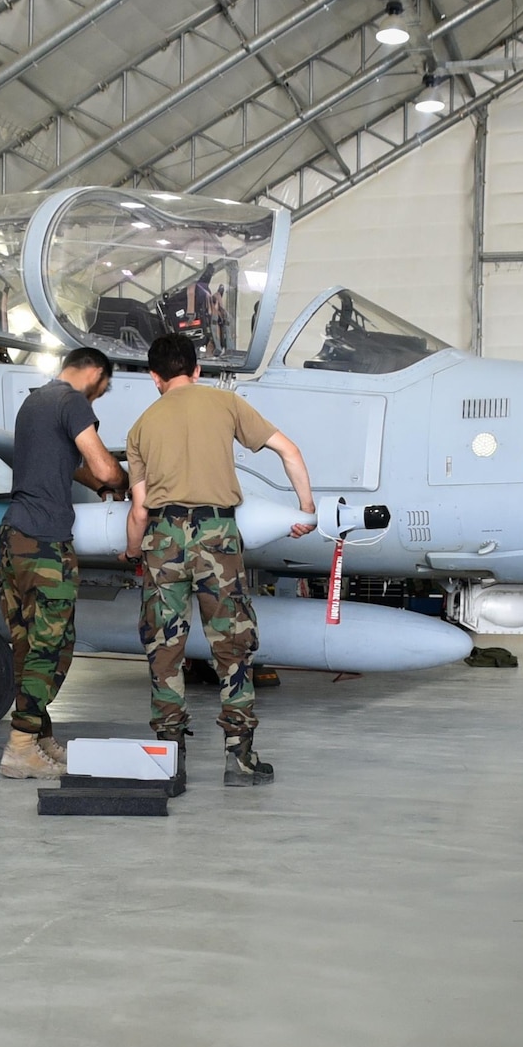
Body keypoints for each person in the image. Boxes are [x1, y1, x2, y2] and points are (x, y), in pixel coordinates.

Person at [124, 332, 316, 786]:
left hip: (164, 537)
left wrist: (133, 549)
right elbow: (290, 451)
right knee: (232, 647)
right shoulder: (226, 404)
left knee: (164, 649)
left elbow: (139, 508)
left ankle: (167, 761)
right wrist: (306, 510)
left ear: (155, 378)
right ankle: (240, 760)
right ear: (197, 370)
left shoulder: (140, 427)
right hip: (217, 536)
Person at [0, 347, 123, 779]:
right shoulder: (72, 400)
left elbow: (67, 466)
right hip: (47, 540)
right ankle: (19, 747)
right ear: (95, 373)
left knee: (27, 643)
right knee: (53, 645)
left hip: (15, 535)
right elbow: (103, 469)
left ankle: (38, 738)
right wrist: (122, 480)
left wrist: (97, 478)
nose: (100, 395)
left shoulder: (35, 402)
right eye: (104, 387)